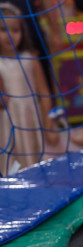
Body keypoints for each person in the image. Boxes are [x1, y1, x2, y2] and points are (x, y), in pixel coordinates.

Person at [0, 2, 58, 176]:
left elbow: (44, 92)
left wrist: (48, 122)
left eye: (15, 30)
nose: (10, 35)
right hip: (8, 120)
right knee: (12, 163)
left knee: (35, 160)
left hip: (31, 116)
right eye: (3, 30)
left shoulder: (30, 58)